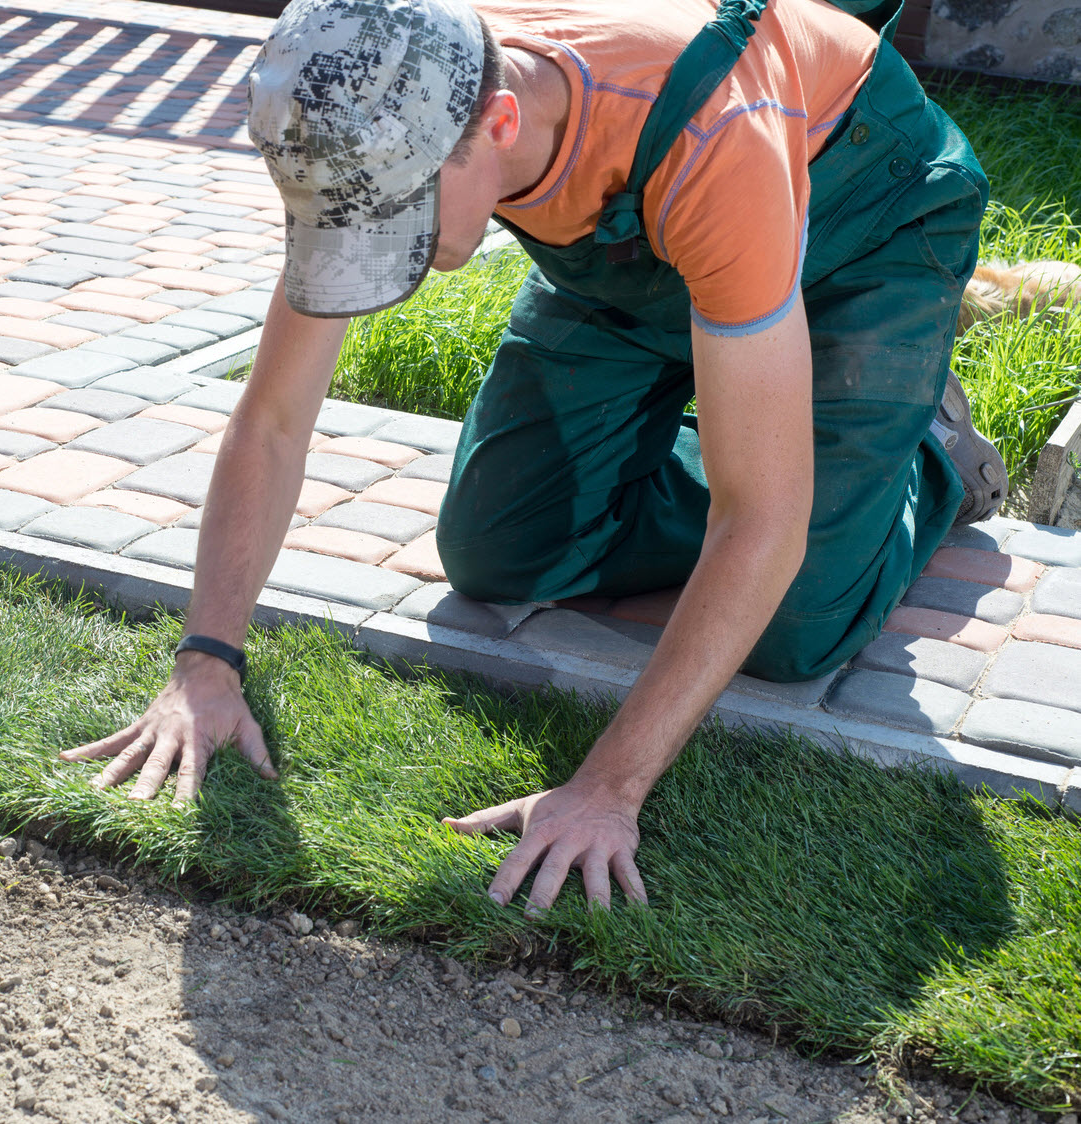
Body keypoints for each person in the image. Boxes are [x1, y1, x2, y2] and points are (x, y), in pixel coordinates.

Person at [60, 0, 1008, 915]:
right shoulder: (380, 87)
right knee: (500, 552)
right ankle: (762, 414)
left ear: (502, 122)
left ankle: (925, 453)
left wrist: (608, 788)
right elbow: (271, 419)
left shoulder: (713, 133)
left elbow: (758, 520)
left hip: (860, 216)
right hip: (637, 247)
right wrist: (206, 661)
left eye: (402, 218)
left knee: (794, 622)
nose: (396, 254)